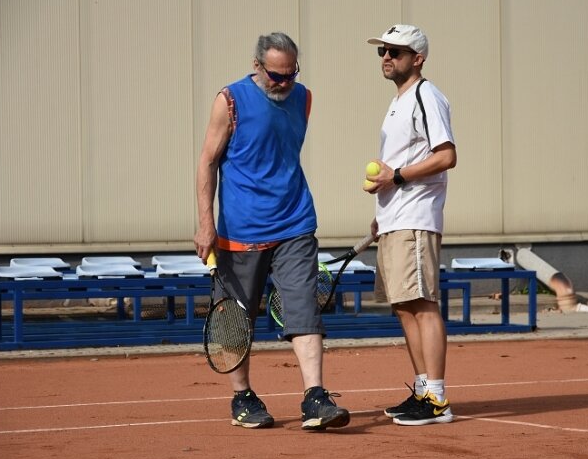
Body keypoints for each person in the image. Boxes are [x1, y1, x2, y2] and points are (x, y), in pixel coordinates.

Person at [194, 32, 350, 431]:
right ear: (257, 66)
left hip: (295, 222)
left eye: (290, 74)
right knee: (235, 320)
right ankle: (242, 397)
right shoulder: (229, 100)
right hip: (239, 232)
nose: (284, 83)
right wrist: (205, 223)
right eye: (276, 76)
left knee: (303, 308)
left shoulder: (303, 98)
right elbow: (207, 162)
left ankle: (315, 397)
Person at [363, 24, 457, 426]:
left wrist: (396, 177)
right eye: (383, 51)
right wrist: (381, 214)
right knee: (404, 306)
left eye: (395, 52)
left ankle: (437, 398)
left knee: (422, 303)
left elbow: (447, 156)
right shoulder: (398, 101)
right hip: (394, 219)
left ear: (417, 59)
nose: (386, 57)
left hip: (416, 217)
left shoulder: (426, 96)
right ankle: (423, 391)